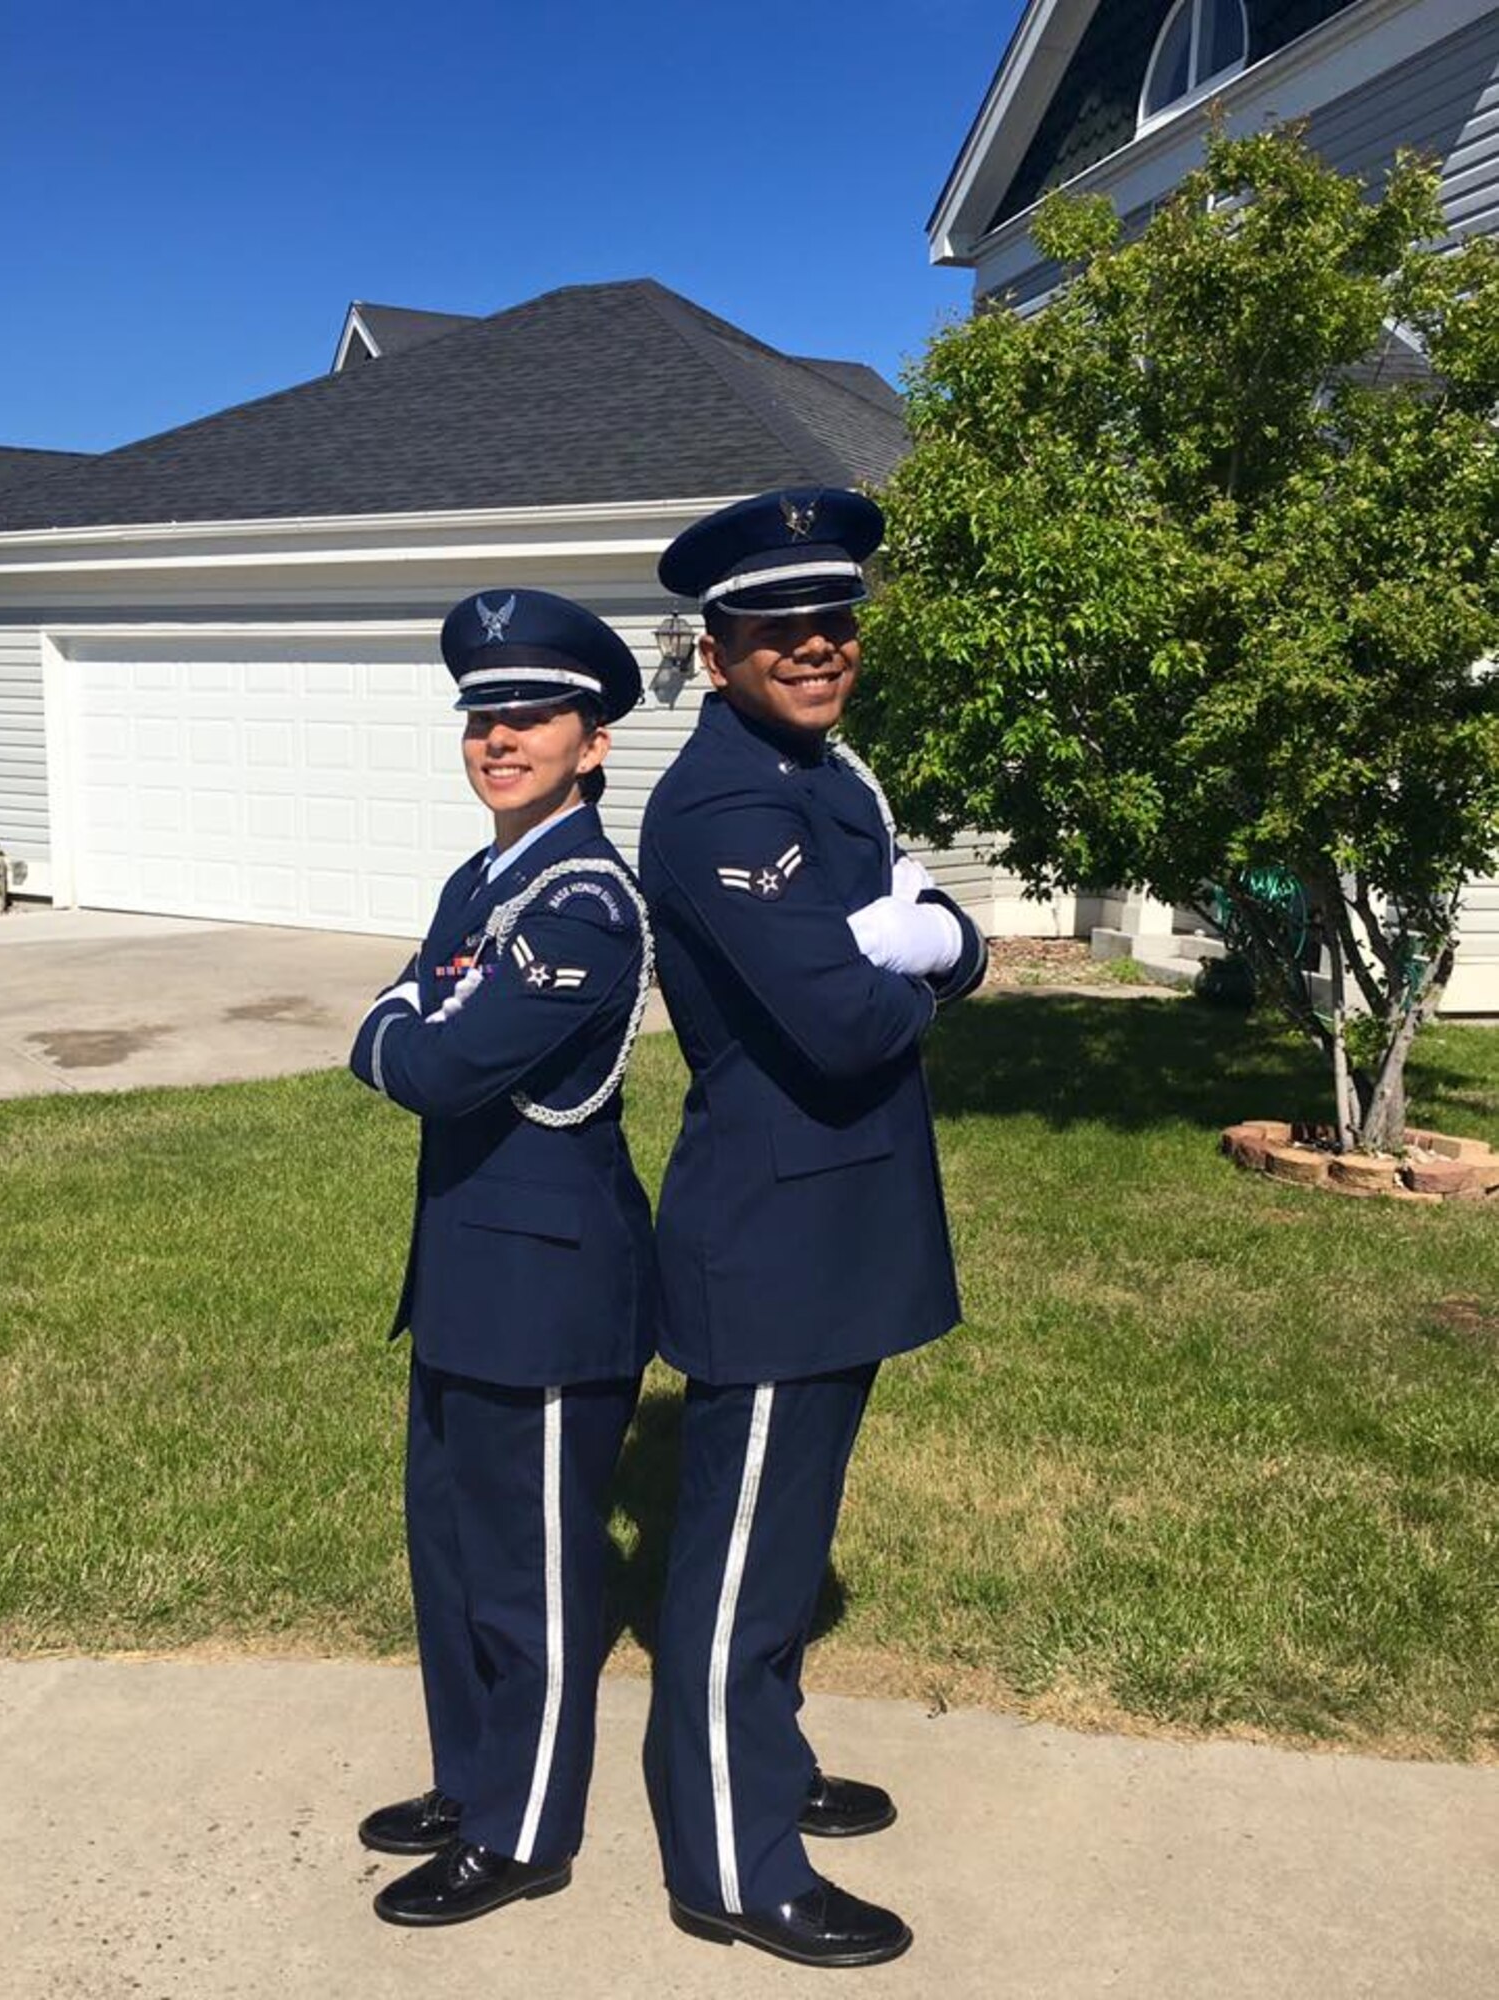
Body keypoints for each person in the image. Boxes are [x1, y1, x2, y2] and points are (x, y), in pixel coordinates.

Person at [638, 488, 987, 1968]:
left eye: (835, 620)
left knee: (788, 1545)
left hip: (836, 1218)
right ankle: (729, 1856)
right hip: (772, 1233)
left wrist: (942, 942)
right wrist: (924, 957)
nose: (817, 645)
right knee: (739, 1564)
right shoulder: (724, 800)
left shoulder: (823, 776)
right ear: (716, 652)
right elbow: (846, 1024)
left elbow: (936, 934)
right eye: (779, 627)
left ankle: (761, 1765)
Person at [349, 587, 656, 1928]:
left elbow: (430, 1060)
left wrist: (396, 1016)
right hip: (472, 1278)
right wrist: (410, 1012)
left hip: (547, 1289)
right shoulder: (484, 883)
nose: (500, 735)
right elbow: (422, 1024)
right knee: (455, 1555)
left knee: (531, 1570)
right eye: (483, 714)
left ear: (594, 743)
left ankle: (525, 1832)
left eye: (532, 714)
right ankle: (474, 1780)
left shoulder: (581, 903)